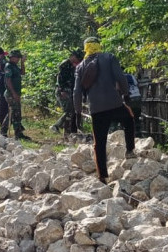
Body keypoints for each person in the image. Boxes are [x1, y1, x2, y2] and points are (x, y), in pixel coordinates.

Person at [73, 36, 136, 184]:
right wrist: (126, 95)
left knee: (99, 143)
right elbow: (120, 77)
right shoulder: (109, 57)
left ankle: (102, 176)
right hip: (114, 104)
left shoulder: (80, 67)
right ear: (98, 45)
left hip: (96, 109)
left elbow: (77, 91)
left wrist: (77, 112)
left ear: (85, 48)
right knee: (129, 119)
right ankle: (130, 150)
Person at [50, 49, 83, 136]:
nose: (78, 60)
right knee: (70, 111)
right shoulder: (65, 65)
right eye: (77, 58)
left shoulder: (75, 65)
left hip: (71, 91)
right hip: (64, 91)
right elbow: (60, 79)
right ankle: (56, 125)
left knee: (72, 112)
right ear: (72, 56)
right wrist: (62, 90)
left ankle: (67, 133)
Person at [4, 49, 30, 141]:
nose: (18, 59)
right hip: (11, 93)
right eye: (17, 58)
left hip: (16, 93)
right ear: (12, 57)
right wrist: (14, 93)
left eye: (19, 58)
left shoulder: (14, 66)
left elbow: (22, 72)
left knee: (16, 113)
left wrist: (22, 63)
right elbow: (8, 81)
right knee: (14, 112)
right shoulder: (9, 66)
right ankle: (7, 131)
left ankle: (17, 132)